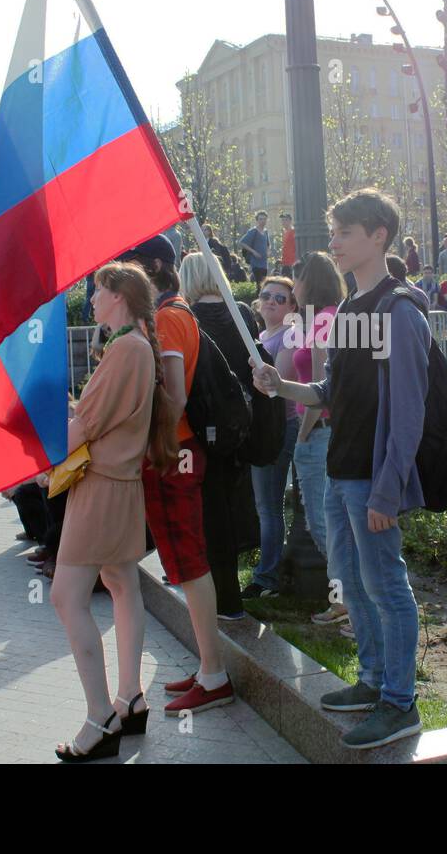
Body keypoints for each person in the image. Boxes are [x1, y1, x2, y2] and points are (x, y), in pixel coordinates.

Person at [252, 188, 428, 750]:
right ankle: (374, 679)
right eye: (335, 233)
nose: (333, 244)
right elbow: (332, 390)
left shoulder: (399, 308)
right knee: (350, 580)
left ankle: (400, 703)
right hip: (340, 466)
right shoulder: (351, 309)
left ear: (378, 236)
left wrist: (388, 488)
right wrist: (282, 386)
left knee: (385, 584)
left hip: (370, 476)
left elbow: (408, 408)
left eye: (344, 233)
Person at [50, 262, 177, 762]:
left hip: (101, 487)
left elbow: (84, 427)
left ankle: (101, 716)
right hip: (120, 486)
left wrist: (42, 434)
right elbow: (96, 417)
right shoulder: (137, 344)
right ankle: (129, 698)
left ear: (119, 295)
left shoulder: (126, 347)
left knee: (65, 596)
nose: (91, 298)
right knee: (122, 586)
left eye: (97, 290)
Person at [118, 234, 235, 715]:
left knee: (189, 562)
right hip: (177, 450)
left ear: (156, 268)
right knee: (186, 563)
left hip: (174, 451)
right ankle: (208, 664)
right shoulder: (173, 312)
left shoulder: (169, 316)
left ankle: (214, 675)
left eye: (134, 266)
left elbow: (175, 399)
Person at [286, 252, 345, 625]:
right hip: (325, 430)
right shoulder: (331, 316)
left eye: (297, 278)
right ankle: (348, 602)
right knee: (331, 523)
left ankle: (347, 603)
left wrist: (304, 433)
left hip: (318, 431)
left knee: (324, 524)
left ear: (311, 281)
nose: (293, 286)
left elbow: (323, 386)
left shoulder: (324, 320)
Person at [243, 276, 299, 600]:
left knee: (269, 504)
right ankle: (269, 567)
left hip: (283, 424)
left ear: (292, 307)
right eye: (266, 296)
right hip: (262, 427)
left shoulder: (289, 335)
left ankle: (268, 578)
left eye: (280, 298)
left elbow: (281, 383)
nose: (271, 302)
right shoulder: (261, 336)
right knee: (265, 503)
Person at [239, 211, 271, 289]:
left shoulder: (266, 232)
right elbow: (242, 242)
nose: (263, 221)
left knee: (263, 285)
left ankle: (261, 299)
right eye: (260, 219)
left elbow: (268, 245)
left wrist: (268, 251)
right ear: (257, 220)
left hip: (264, 262)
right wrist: (254, 252)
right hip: (255, 263)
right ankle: (258, 300)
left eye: (264, 219)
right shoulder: (253, 231)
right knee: (259, 284)